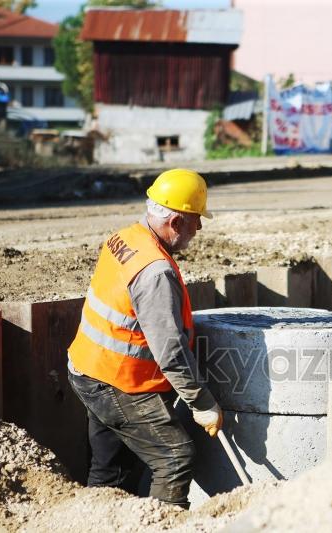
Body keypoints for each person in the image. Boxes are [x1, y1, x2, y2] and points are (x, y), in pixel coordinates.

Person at [67, 168, 222, 508]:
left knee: (112, 468)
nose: (199, 228)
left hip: (89, 368)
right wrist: (202, 403)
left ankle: (95, 521)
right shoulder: (156, 272)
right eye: (196, 220)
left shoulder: (125, 238)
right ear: (176, 222)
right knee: (175, 458)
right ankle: (161, 524)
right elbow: (171, 351)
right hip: (117, 383)